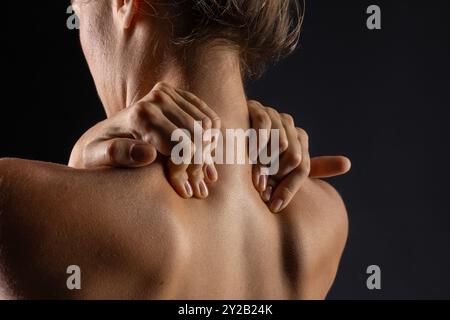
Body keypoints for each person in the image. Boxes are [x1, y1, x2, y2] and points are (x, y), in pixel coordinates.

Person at [0, 0, 350, 299]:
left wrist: (77, 168)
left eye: (79, 12)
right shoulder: (323, 220)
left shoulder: (13, 203)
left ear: (124, 3)